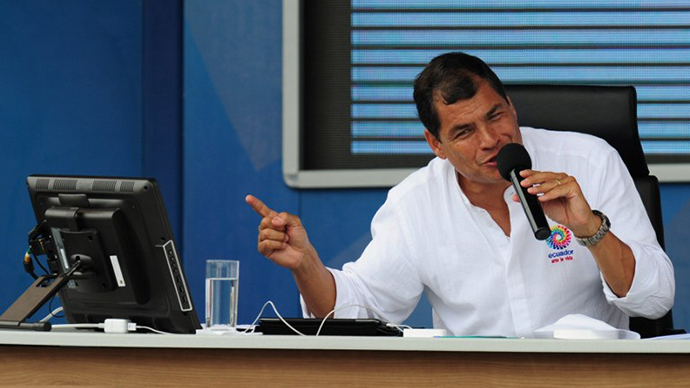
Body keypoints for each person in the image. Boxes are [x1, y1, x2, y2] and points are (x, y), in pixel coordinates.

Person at [246, 52, 674, 337]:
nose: (490, 140)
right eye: (464, 132)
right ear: (436, 145)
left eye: (496, 115)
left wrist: (590, 230)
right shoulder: (416, 202)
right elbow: (356, 312)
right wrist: (306, 265)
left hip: (593, 377)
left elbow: (656, 300)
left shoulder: (589, 161)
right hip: (475, 377)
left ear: (512, 106)